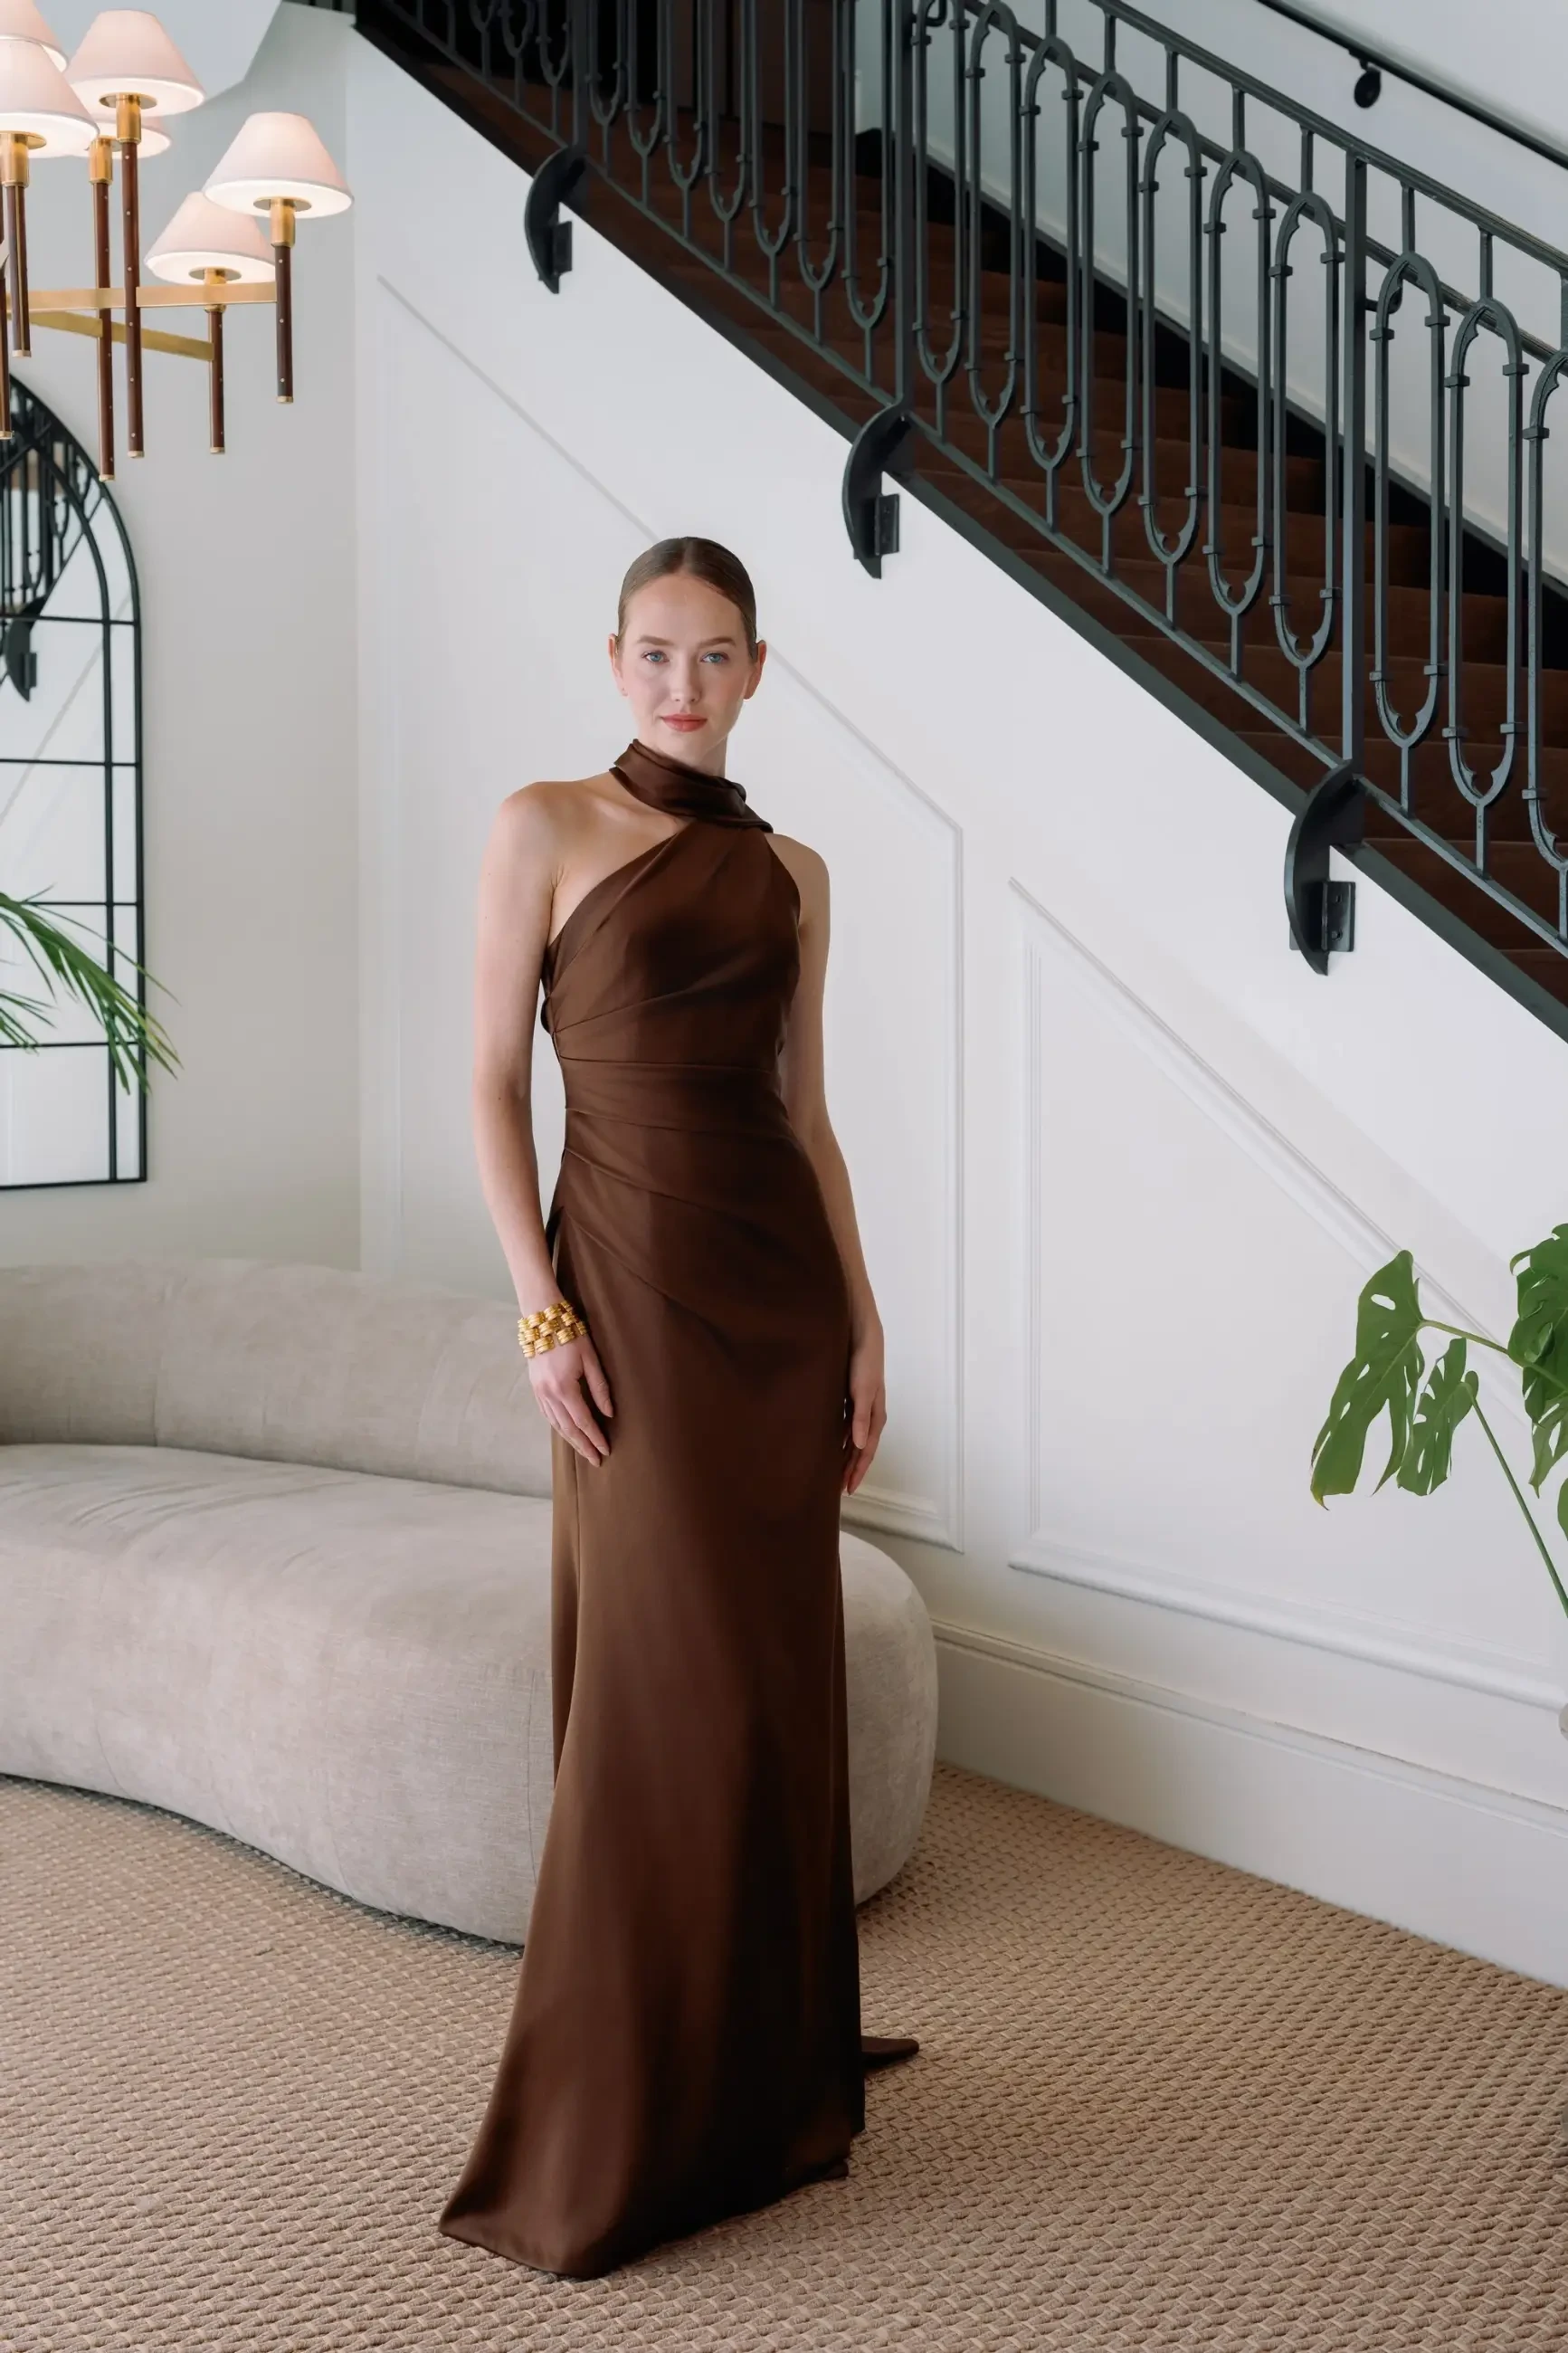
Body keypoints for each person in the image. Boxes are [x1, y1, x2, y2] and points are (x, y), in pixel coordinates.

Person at [436, 535, 917, 2281]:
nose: (682, 685)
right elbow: (491, 1082)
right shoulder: (546, 826)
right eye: (655, 652)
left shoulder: (795, 872)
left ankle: (770, 2072)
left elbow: (810, 1123)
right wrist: (537, 1308)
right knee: (666, 1683)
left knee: (770, 1686)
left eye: (716, 656)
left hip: (778, 1315)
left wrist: (863, 1329)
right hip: (623, 1301)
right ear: (613, 657)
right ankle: (635, 2099)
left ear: (760, 670)